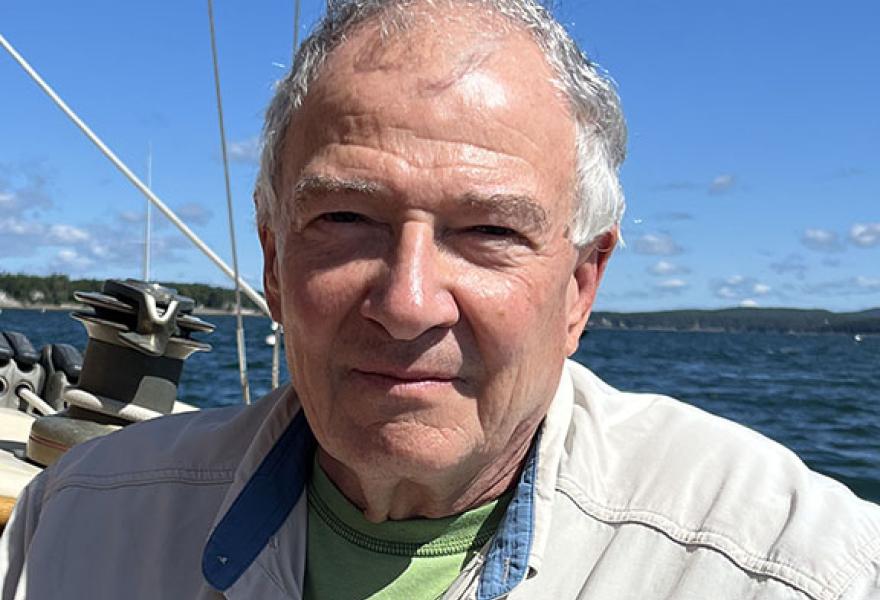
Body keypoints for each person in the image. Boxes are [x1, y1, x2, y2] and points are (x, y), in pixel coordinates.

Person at [3, 0, 879, 598]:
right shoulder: (83, 523)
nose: (408, 300)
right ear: (273, 262)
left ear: (580, 287)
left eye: (490, 232)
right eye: (345, 218)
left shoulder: (794, 569)